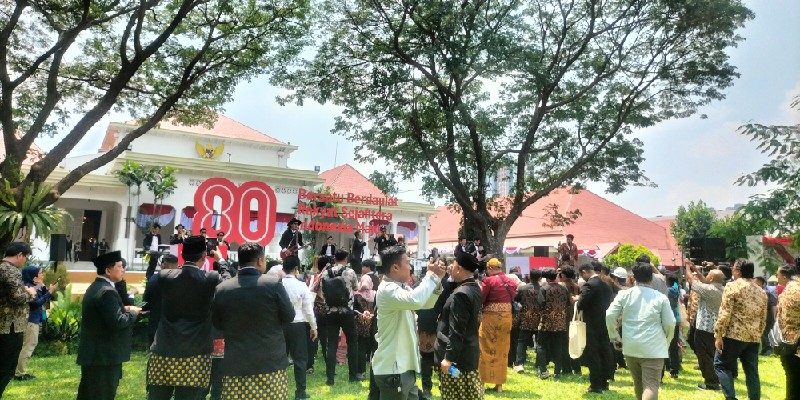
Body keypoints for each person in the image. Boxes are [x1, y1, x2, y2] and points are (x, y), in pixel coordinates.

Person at [146, 236, 230, 400]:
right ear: (204, 256)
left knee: (157, 396)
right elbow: (229, 284)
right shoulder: (211, 279)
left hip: (164, 348)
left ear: (182, 255)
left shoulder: (164, 276)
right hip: (195, 353)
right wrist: (221, 261)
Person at [212, 242, 295, 400]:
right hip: (270, 363)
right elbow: (289, 316)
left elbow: (217, 323)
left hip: (235, 363)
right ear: (260, 261)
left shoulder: (223, 289)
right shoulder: (273, 284)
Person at [372, 245, 444, 400]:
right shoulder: (388, 289)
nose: (410, 267)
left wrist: (437, 279)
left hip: (402, 368)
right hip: (393, 369)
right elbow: (416, 300)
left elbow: (425, 303)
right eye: (407, 263)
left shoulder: (399, 288)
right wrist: (430, 275)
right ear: (395, 267)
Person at [76, 251, 141, 400]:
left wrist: (124, 309)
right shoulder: (107, 291)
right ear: (108, 270)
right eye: (119, 266)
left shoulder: (97, 287)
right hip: (104, 356)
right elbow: (118, 321)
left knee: (89, 393)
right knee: (102, 394)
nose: (122, 270)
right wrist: (133, 313)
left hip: (96, 354)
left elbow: (106, 314)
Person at [606, 262, 675, 400]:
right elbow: (670, 323)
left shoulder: (624, 294)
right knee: (651, 385)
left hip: (631, 345)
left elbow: (610, 315)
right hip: (654, 347)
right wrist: (666, 341)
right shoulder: (660, 297)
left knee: (638, 384)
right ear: (651, 278)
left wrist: (614, 336)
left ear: (633, 277)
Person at [714, 260, 767, 400]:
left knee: (721, 365)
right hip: (753, 337)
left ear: (738, 271)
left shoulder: (732, 286)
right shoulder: (761, 291)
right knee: (752, 371)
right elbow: (763, 317)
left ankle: (731, 397)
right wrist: (758, 335)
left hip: (734, 335)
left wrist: (719, 335)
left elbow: (725, 313)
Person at [436, 251, 483, 400]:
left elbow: (457, 329)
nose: (450, 267)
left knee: (456, 393)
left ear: (459, 269)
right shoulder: (473, 287)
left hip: (457, 359)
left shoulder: (461, 294)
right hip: (467, 353)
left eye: (453, 265)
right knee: (468, 393)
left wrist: (449, 358)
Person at [0, 242, 36, 397]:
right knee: (6, 367)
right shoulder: (11, 270)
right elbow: (17, 298)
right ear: (19, 255)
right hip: (10, 326)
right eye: (26, 258)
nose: (25, 261)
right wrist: (30, 293)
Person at [320, 249, 360, 385]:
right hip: (347, 311)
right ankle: (353, 376)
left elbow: (323, 291)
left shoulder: (325, 273)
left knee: (331, 344)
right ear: (346, 259)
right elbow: (356, 288)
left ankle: (330, 379)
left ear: (334, 258)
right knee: (352, 342)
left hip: (330, 312)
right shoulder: (350, 272)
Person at [281, 256, 318, 400]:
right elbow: (308, 309)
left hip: (280, 325)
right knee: (300, 359)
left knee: (280, 359)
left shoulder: (278, 285)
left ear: (283, 269)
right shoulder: (301, 286)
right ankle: (300, 392)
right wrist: (313, 326)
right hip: (298, 325)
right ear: (296, 269)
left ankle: (280, 390)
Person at [685, 260, 725, 391]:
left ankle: (711, 383)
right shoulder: (722, 289)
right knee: (713, 355)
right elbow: (704, 281)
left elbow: (691, 281)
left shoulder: (708, 290)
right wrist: (696, 269)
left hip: (704, 328)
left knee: (704, 356)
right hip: (717, 328)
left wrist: (687, 268)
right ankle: (717, 379)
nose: (706, 276)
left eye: (708, 275)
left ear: (712, 278)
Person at [477, 257, 516, 393]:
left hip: (490, 319)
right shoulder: (511, 281)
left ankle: (482, 382)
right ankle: (499, 385)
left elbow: (481, 298)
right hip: (506, 318)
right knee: (502, 349)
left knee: (485, 347)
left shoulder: (488, 281)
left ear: (490, 268)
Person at [574, 263, 613, 393]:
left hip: (591, 325)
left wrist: (577, 299)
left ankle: (595, 384)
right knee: (604, 352)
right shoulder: (606, 285)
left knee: (593, 354)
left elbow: (581, 305)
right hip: (604, 323)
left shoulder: (589, 285)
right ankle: (604, 382)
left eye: (582, 275)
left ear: (584, 272)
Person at [14, 265, 56, 381]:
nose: (42, 275)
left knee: (27, 345)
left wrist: (44, 287)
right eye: (40, 273)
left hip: (32, 320)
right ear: (33, 276)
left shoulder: (33, 286)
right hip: (31, 321)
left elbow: (43, 297)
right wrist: (50, 292)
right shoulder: (28, 287)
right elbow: (37, 302)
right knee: (28, 346)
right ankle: (20, 373)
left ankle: (19, 371)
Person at [536, 268, 570, 379]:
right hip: (560, 323)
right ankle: (557, 372)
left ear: (546, 278)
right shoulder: (564, 289)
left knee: (541, 346)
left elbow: (540, 304)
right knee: (558, 347)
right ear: (556, 276)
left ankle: (543, 371)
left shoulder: (543, 289)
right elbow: (567, 303)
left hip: (546, 322)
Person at [142, 254, 179, 346]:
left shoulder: (153, 280)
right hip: (176, 329)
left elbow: (145, 302)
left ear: (163, 265)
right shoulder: (182, 281)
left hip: (156, 326)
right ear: (177, 266)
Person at [512, 268, 543, 374]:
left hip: (526, 319)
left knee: (522, 341)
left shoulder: (522, 288)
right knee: (540, 343)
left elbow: (515, 299)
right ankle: (539, 364)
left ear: (529, 276)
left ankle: (519, 364)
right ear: (540, 278)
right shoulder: (543, 289)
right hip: (539, 319)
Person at [776, 264, 800, 400]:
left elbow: (779, 318)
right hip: (795, 346)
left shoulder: (790, 290)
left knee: (793, 387)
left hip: (791, 345)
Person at [354, 263, 376, 380]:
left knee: (361, 348)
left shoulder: (357, 295)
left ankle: (360, 372)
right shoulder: (375, 294)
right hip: (373, 324)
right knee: (374, 348)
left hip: (360, 325)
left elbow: (354, 310)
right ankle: (375, 371)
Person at [754, 276, 778, 356]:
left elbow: (774, 306)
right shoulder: (757, 293)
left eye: (755, 282)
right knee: (763, 334)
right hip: (761, 318)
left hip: (767, 317)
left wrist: (774, 318)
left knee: (765, 334)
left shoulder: (766, 294)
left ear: (761, 284)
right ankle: (765, 350)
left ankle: (769, 349)